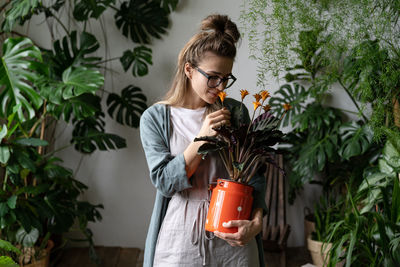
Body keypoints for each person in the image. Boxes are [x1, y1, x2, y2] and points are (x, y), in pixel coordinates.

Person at [140, 14, 267, 267]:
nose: (220, 86)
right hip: (179, 242)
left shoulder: (236, 112)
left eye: (226, 78)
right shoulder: (155, 118)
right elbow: (164, 182)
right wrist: (202, 138)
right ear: (189, 69)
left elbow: (255, 176)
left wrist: (256, 222)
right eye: (212, 76)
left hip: (234, 241)